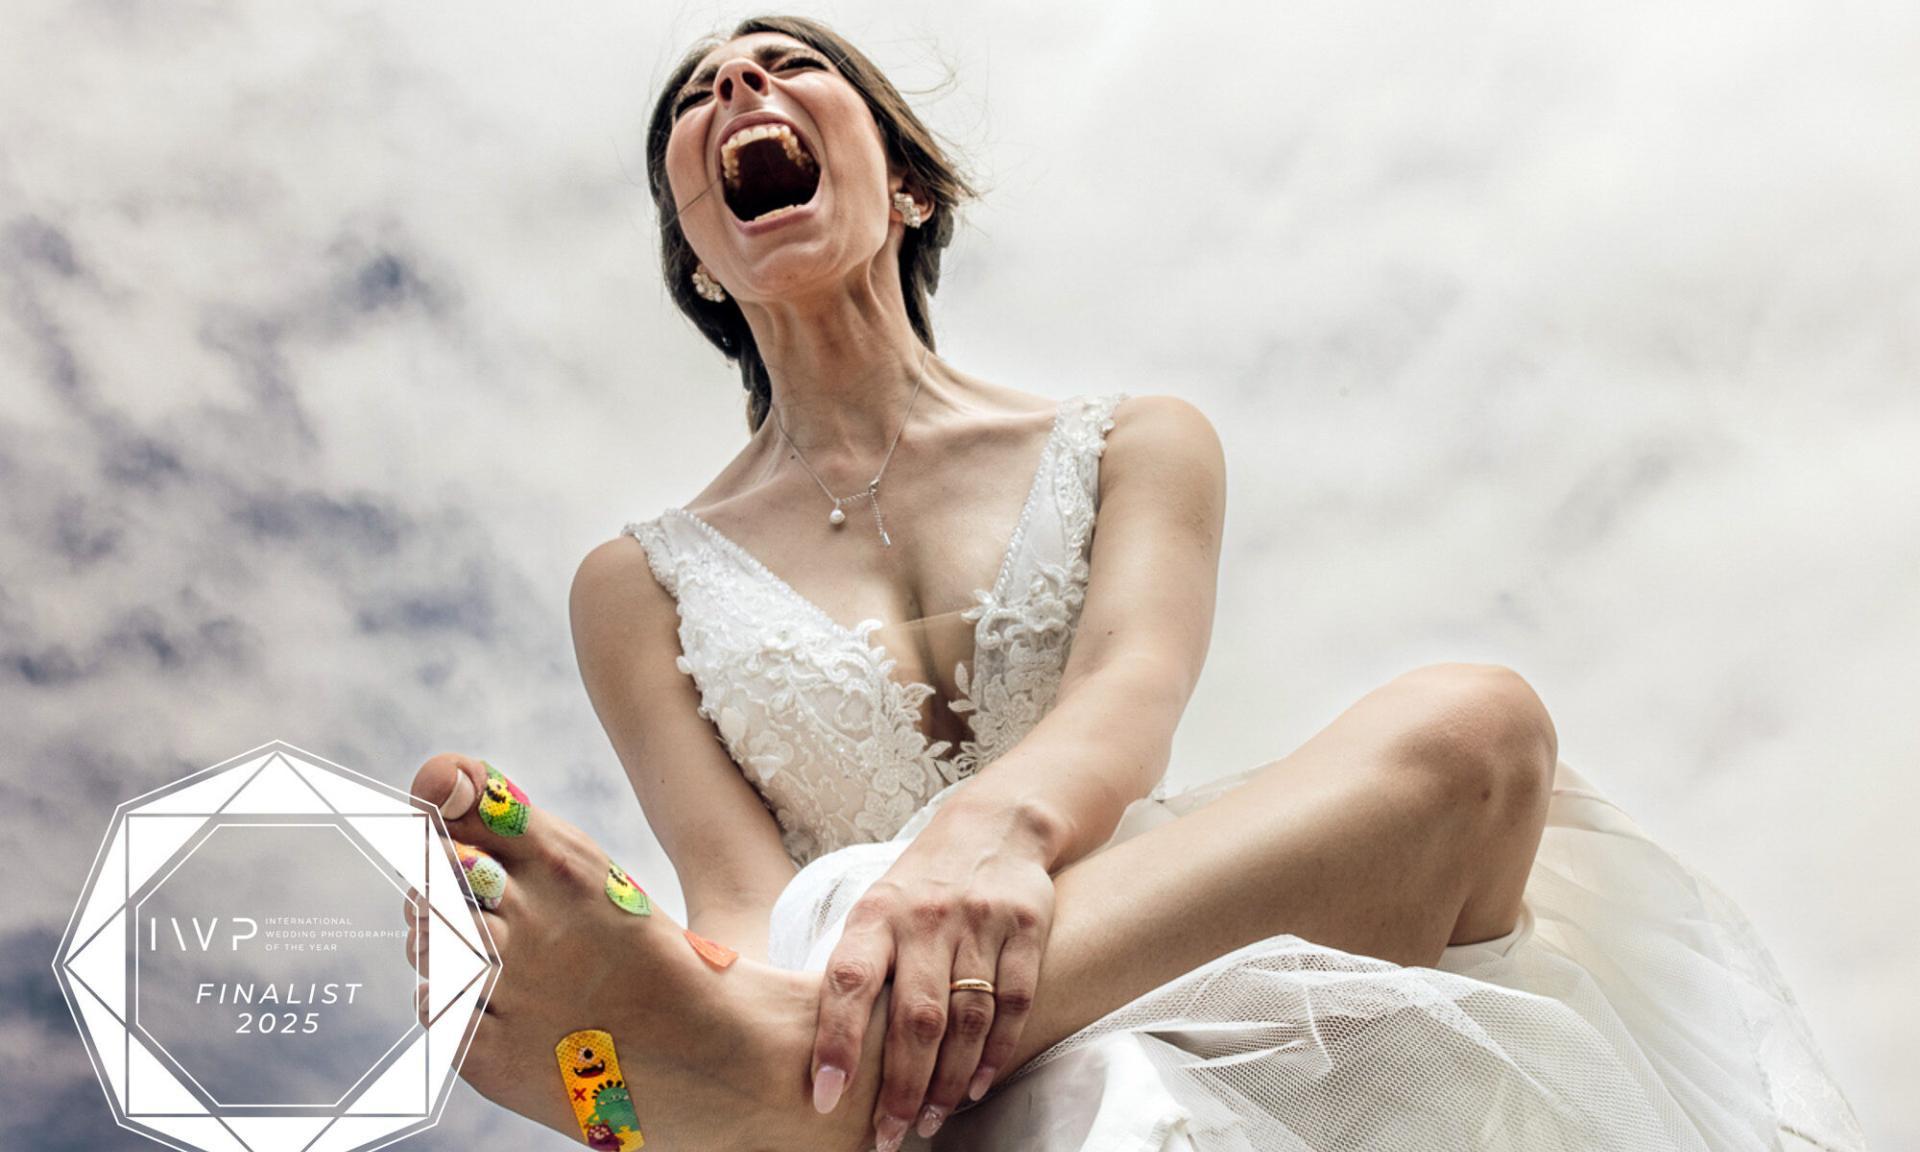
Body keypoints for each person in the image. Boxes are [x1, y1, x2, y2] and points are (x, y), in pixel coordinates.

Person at [404, 14, 1866, 1150]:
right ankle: (777, 1067)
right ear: (699, 259)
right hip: (838, 969)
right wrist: (663, 985)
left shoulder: (1135, 442)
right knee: (820, 993)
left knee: (1480, 734)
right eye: (695, 98)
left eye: (789, 65)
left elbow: (1129, 695)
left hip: (1156, 926)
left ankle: (802, 1092)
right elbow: (742, 889)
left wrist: (987, 838)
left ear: (907, 183)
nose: (737, 86)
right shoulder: (634, 580)